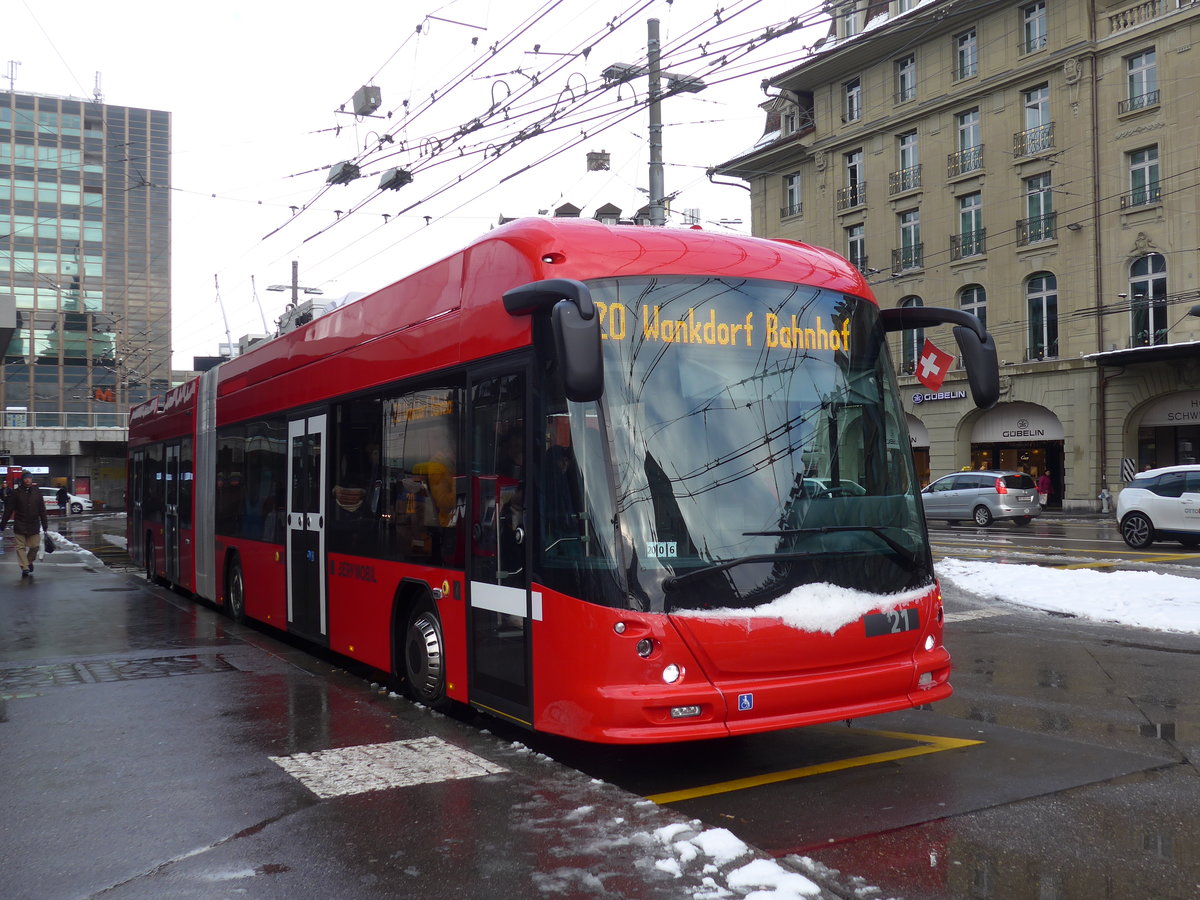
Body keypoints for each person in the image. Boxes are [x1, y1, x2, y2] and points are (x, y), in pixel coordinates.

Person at [1, 471, 50, 578]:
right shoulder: (16, 493)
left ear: (32, 479)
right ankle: (25, 567)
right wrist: (3, 524)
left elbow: (42, 509)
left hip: (33, 524)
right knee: (20, 547)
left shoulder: (37, 492)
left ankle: (28, 561)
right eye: (26, 478)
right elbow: (9, 509)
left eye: (30, 478)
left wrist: (45, 524)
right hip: (20, 524)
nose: (28, 480)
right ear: (22, 480)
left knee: (35, 546)